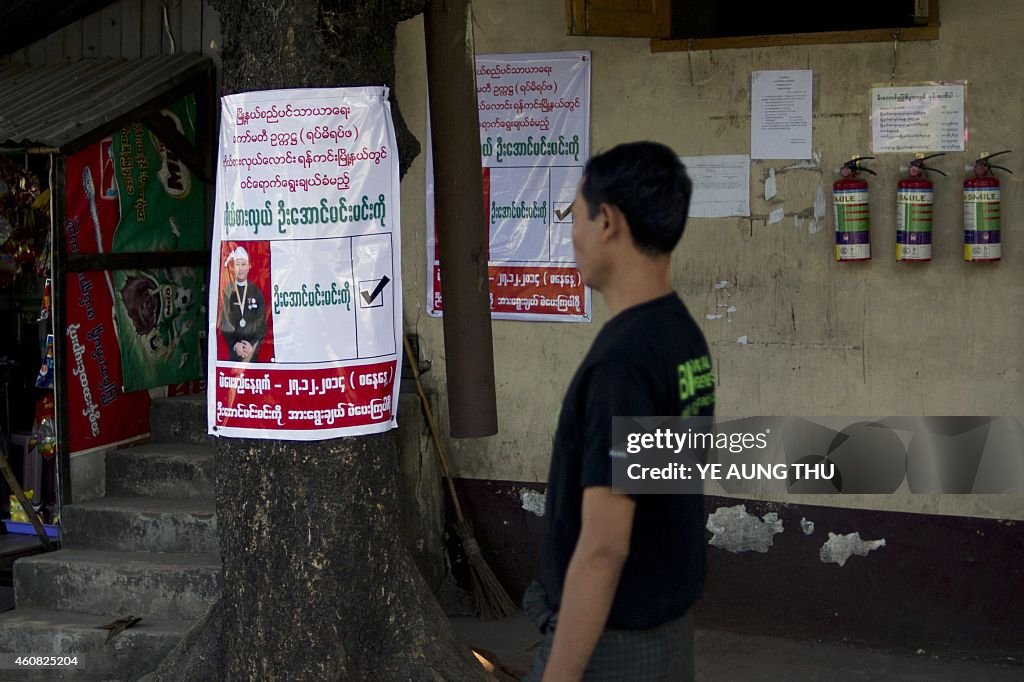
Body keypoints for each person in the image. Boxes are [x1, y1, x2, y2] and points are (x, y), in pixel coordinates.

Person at [524, 142, 715, 681]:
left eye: (575, 216)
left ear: (606, 221)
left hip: (609, 646)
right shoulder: (681, 335)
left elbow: (605, 545)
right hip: (666, 638)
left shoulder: (623, 365)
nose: (574, 234)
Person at [219, 246, 267, 362]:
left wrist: (252, 345)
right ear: (233, 267)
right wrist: (235, 345)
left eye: (243, 264)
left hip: (252, 352)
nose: (240, 269)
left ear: (249, 267)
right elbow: (224, 322)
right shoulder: (229, 291)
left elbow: (262, 323)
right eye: (237, 264)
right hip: (235, 353)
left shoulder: (256, 291)